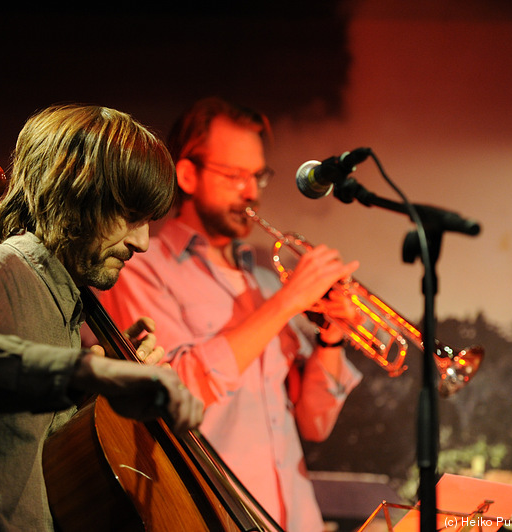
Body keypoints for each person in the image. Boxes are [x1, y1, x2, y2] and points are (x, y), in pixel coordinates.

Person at [0, 104, 204, 531]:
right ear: (72, 193)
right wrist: (96, 372)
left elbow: (33, 451)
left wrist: (101, 394)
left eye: (148, 221)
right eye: (130, 216)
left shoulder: (66, 313)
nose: (143, 241)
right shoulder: (0, 268)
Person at [98, 97, 362, 531]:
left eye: (257, 175)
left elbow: (315, 424)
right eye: (234, 176)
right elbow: (171, 394)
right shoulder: (141, 270)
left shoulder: (261, 278)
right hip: (215, 519)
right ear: (187, 174)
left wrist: (331, 336)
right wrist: (284, 304)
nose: (252, 192)